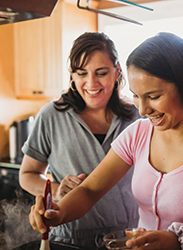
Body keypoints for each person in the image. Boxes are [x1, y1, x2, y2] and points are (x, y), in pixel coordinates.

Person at [29, 32, 183, 250]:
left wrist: (179, 244)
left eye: (154, 97)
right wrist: (58, 212)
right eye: (136, 96)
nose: (143, 109)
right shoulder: (138, 133)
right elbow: (90, 190)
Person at [19, 32, 141, 248]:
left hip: (128, 239)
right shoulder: (51, 116)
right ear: (72, 76)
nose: (91, 83)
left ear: (117, 71)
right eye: (81, 73)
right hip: (68, 239)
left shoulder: (138, 117)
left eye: (101, 73)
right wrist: (56, 189)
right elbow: (27, 174)